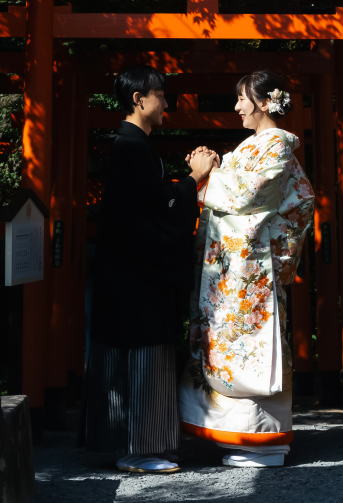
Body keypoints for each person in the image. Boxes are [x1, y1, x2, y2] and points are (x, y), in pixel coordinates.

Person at [85, 64, 219, 474]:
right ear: (138, 100)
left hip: (128, 271)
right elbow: (158, 207)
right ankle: (139, 448)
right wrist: (194, 178)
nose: (166, 101)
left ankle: (120, 442)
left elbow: (153, 202)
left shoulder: (132, 146)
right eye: (159, 93)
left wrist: (181, 185)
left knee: (124, 356)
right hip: (137, 275)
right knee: (144, 355)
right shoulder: (131, 147)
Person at [178, 70, 314, 468]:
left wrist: (208, 177)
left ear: (265, 102)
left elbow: (255, 194)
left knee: (254, 345)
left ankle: (263, 440)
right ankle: (235, 435)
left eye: (242, 99)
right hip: (234, 270)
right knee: (228, 346)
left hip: (252, 269)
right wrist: (214, 170)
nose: (237, 107)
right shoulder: (250, 147)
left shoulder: (276, 145)